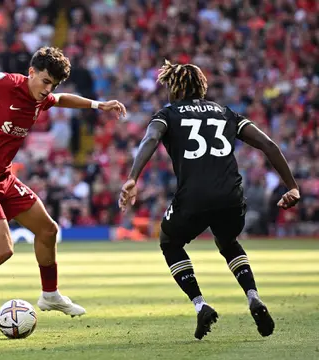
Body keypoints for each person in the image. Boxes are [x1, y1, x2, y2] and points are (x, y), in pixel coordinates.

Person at [0, 47, 127, 337]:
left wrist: (98, 106)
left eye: (53, 84)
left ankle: (50, 295)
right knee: (3, 249)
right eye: (46, 81)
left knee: (48, 231)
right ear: (32, 73)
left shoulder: (42, 97)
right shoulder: (8, 83)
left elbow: (62, 99)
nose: (48, 90)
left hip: (3, 177)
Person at [118, 60, 300, 340]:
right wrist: (292, 186)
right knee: (227, 242)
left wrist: (133, 177)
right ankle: (252, 296)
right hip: (231, 196)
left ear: (176, 89)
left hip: (193, 198)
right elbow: (268, 144)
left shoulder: (168, 113)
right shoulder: (225, 112)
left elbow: (150, 139)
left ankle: (200, 304)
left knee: (169, 242)